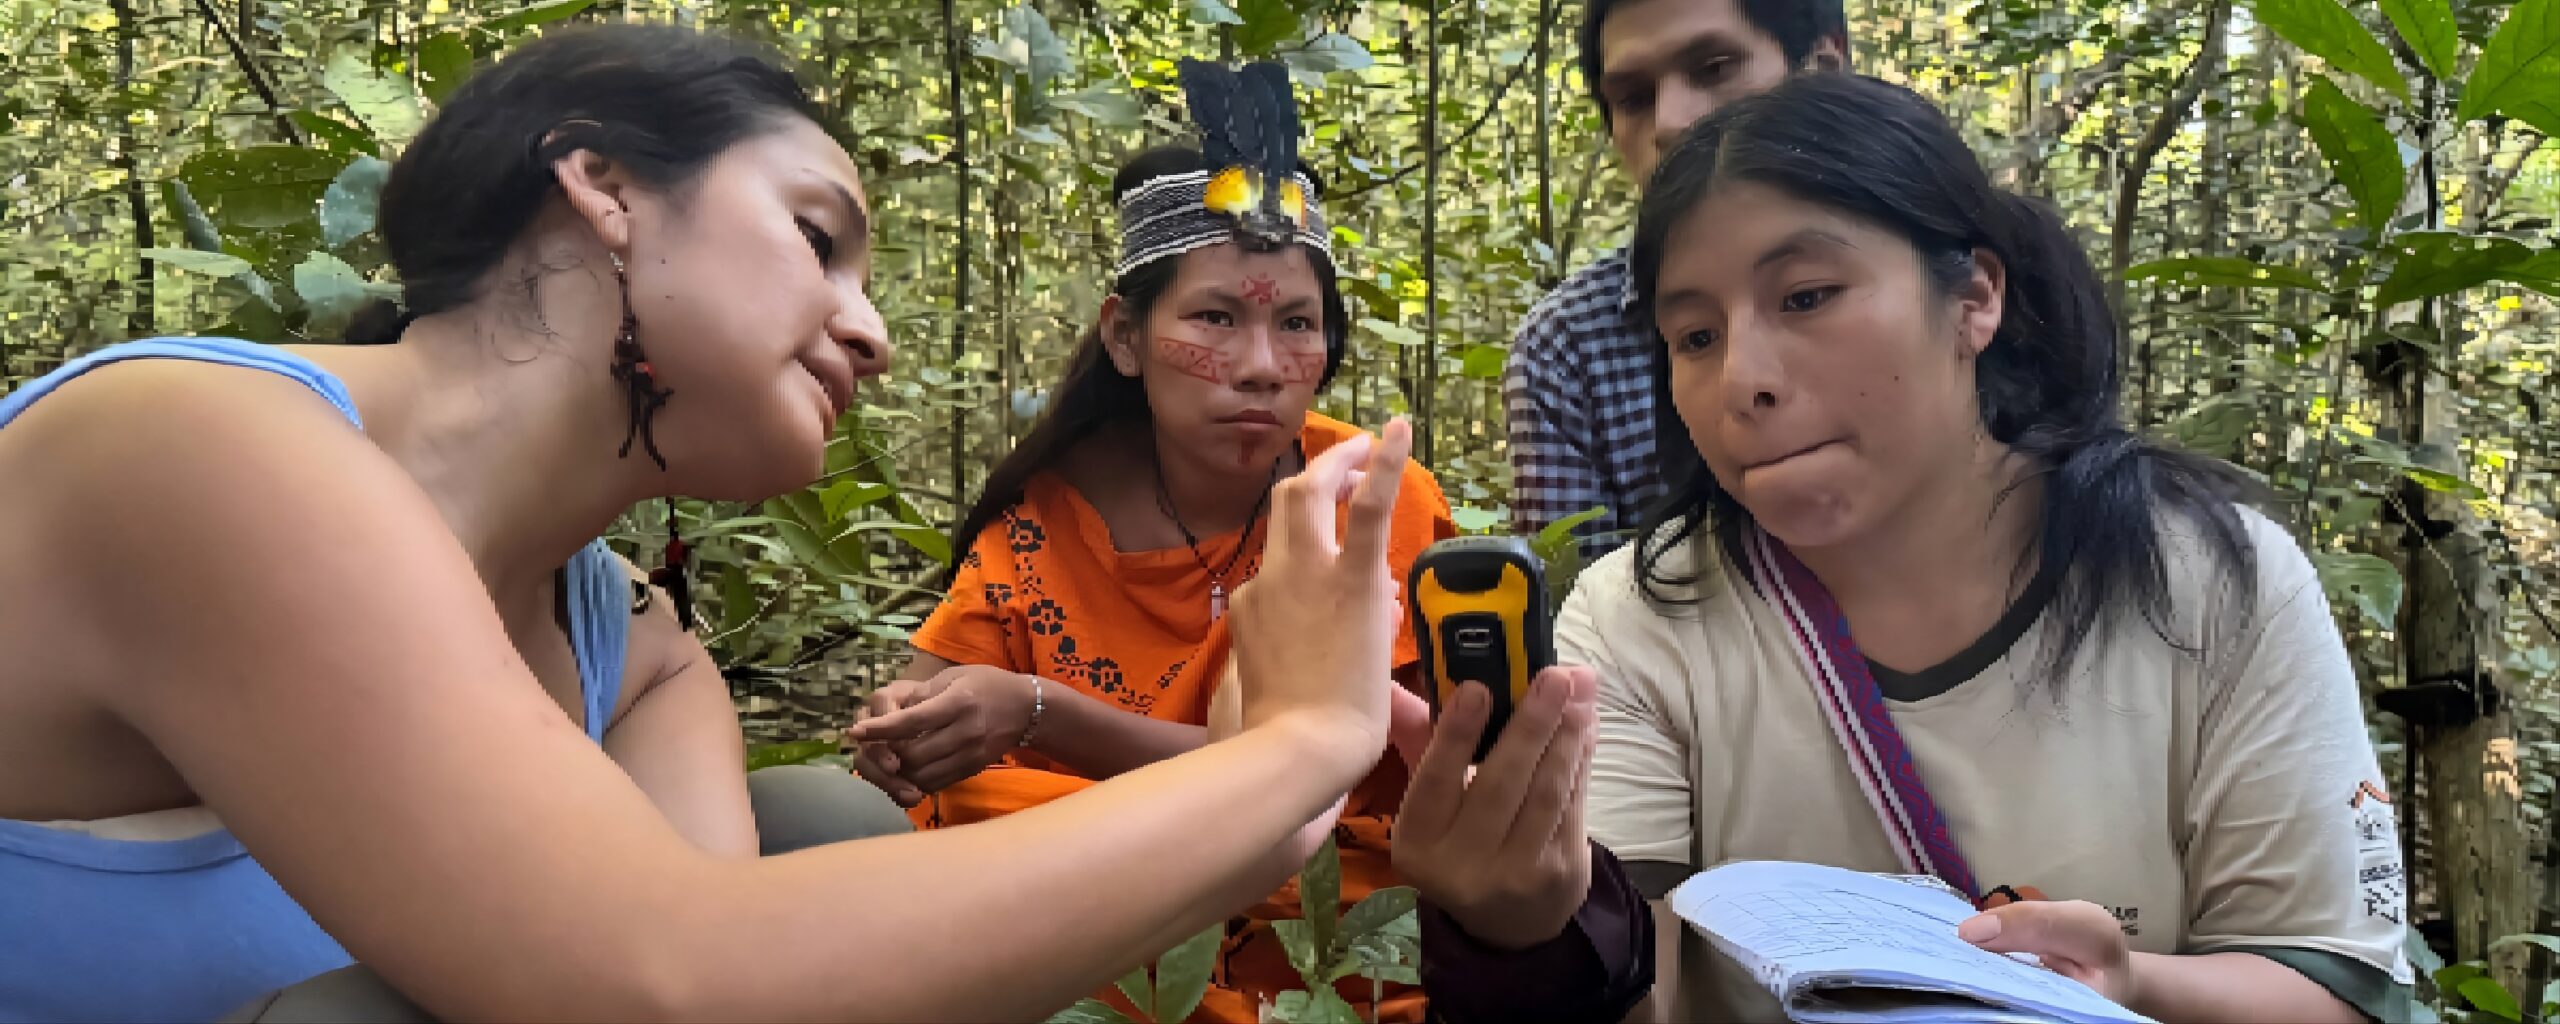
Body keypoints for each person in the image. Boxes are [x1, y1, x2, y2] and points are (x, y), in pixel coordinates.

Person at [0, 26, 1417, 1022]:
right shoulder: (197, 443)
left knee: (820, 824)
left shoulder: (638, 646)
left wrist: (1284, 767)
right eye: (817, 239)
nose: (869, 331)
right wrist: (1294, 751)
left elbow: (758, 981)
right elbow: (665, 977)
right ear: (603, 188)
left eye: (1296, 327)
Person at [1401, 73, 2413, 1023]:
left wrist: (2127, 982)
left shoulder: (2210, 582)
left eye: (1805, 297)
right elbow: (1640, 989)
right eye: (1695, 337)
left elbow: (2334, 986)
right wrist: (1518, 929)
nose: (1742, 379)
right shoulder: (1639, 621)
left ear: (1973, 298)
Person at [850, 73, 1457, 1017]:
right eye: (1217, 318)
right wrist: (905, 732)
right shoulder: (1047, 516)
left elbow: (1316, 776)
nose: (1261, 367)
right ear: (1126, 337)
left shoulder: (1371, 497)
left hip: (1312, 901)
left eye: (1297, 324)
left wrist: (1039, 712)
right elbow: (922, 693)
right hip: (1093, 876)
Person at [1507, 0, 1847, 561]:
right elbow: (1571, 596)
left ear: (1822, 67)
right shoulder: (1570, 344)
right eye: (1634, 98)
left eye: (1714, 68)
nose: (1671, 122)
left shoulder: (1944, 258)